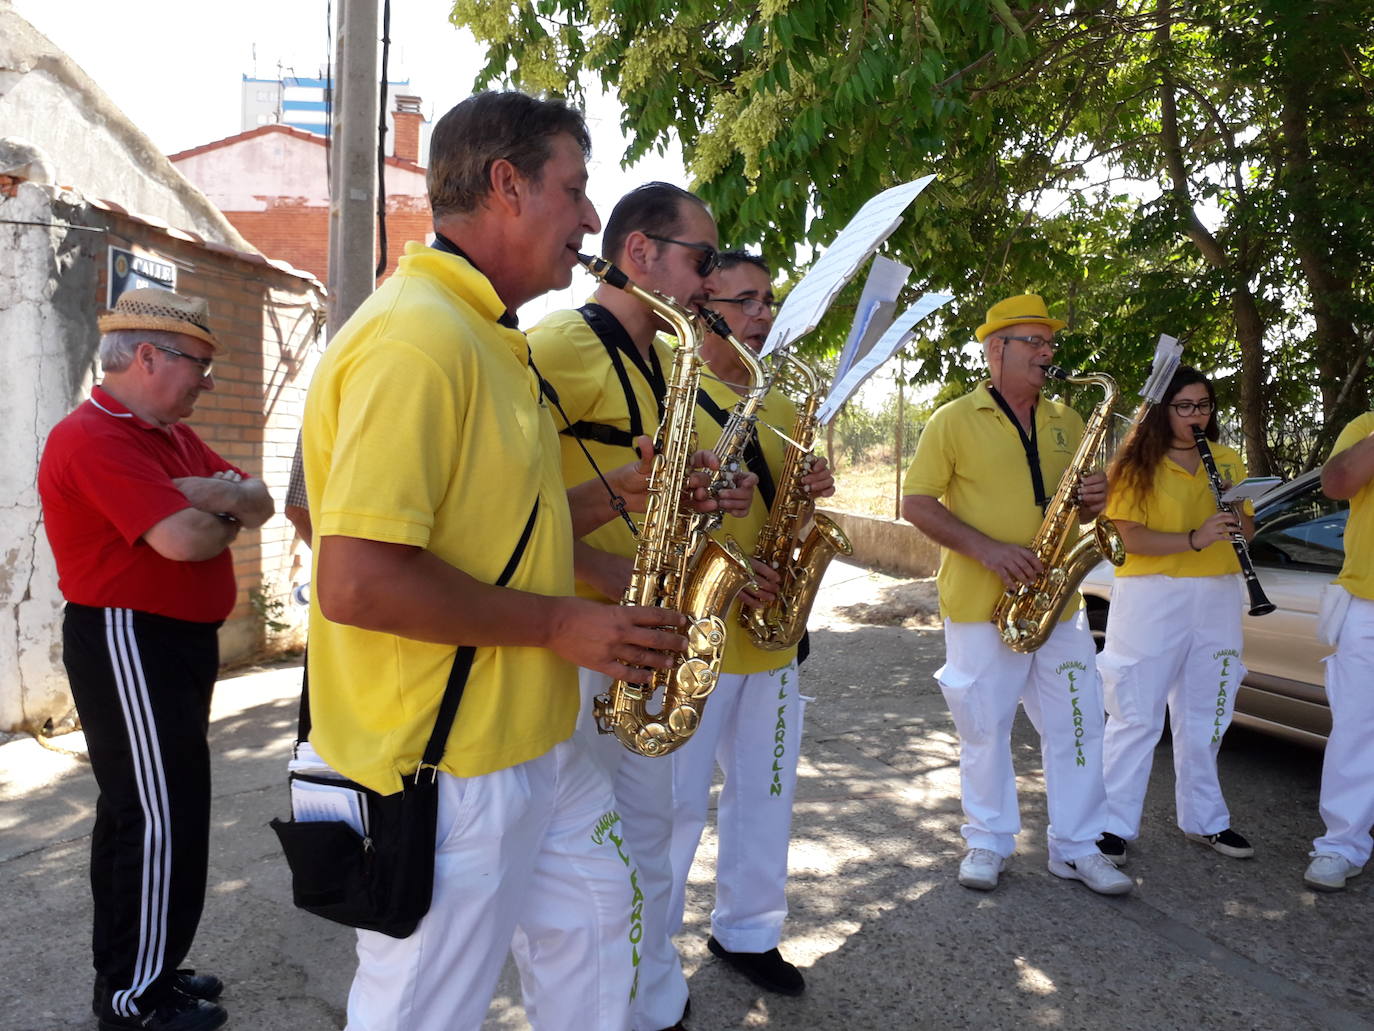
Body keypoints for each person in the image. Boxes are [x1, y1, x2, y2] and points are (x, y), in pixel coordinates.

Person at [301, 92, 708, 1031]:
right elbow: (359, 578)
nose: (592, 218)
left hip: (530, 738)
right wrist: (566, 622)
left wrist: (613, 497)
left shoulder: (489, 334)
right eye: (574, 189)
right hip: (444, 764)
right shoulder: (416, 338)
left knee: (605, 937)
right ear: (506, 183)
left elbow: (492, 528)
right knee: (423, 1011)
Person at [526, 182, 743, 1031]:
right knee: (583, 861)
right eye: (703, 260)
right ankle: (598, 1003)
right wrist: (606, 575)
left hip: (644, 630)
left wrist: (696, 501)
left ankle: (653, 997)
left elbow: (639, 487)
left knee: (650, 831)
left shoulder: (667, 358)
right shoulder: (551, 347)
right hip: (577, 639)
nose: (710, 282)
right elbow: (514, 507)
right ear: (640, 253)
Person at [38, 287, 275, 1031]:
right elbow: (185, 540)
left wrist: (205, 495)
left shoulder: (168, 436)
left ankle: (144, 969)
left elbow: (260, 498)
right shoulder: (93, 436)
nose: (208, 381)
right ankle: (134, 997)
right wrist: (217, 506)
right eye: (200, 365)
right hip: (129, 638)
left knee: (141, 810)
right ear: (147, 356)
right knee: (157, 816)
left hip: (171, 641)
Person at [900, 293, 1133, 896]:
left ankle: (1078, 846)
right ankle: (987, 839)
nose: (1049, 353)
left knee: (1078, 726)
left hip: (1061, 602)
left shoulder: (1068, 421)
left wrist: (1094, 502)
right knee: (983, 727)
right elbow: (917, 503)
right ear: (996, 349)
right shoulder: (952, 419)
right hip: (982, 604)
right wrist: (989, 551)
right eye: (1036, 342)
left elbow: (1082, 512)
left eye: (1050, 342)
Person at [666, 252, 834, 997]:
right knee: (671, 810)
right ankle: (648, 955)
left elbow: (789, 517)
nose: (764, 315)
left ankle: (749, 931)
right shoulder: (672, 389)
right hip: (694, 634)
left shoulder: (786, 405)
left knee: (765, 795)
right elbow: (645, 515)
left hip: (769, 636)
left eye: (769, 300)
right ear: (705, 310)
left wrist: (808, 498)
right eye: (747, 301)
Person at [1096, 366, 1255, 867]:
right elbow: (1125, 537)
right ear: (1162, 411)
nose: (1196, 416)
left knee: (1207, 714)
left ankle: (1205, 820)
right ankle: (1110, 824)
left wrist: (1236, 510)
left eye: (1203, 406)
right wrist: (1193, 538)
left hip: (1218, 594)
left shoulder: (1226, 458)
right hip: (1152, 595)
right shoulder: (1132, 466)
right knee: (1136, 712)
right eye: (1184, 406)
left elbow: (1247, 532)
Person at [1304, 410, 1374, 891]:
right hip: (1368, 603)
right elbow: (1336, 483)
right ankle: (1341, 845)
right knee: (1357, 730)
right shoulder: (1366, 424)